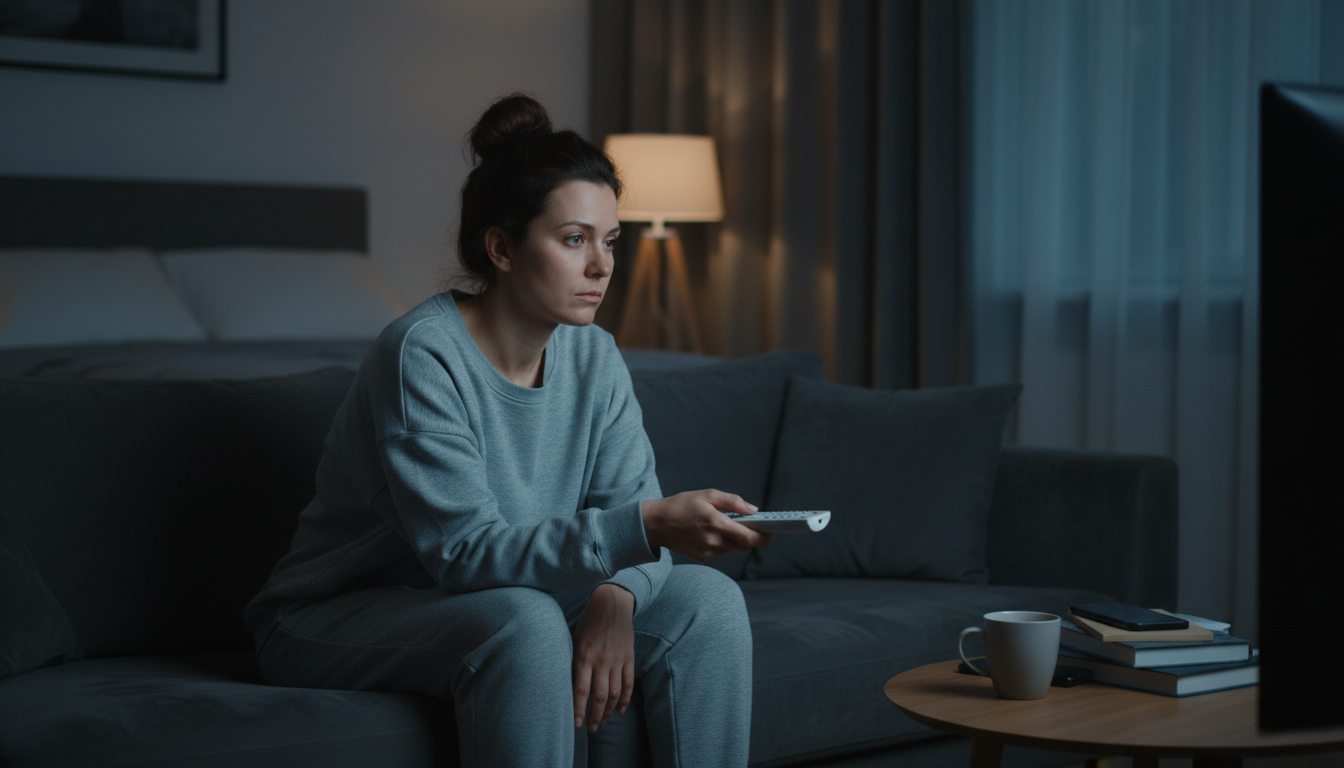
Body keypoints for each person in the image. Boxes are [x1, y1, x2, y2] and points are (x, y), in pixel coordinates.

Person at [244, 93, 773, 768]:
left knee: (710, 603)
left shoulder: (595, 355)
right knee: (523, 625)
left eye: (611, 240)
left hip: (507, 595)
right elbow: (465, 555)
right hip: (339, 613)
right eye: (574, 239)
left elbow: (630, 509)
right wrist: (644, 530)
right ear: (501, 247)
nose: (603, 266)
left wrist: (614, 595)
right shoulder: (421, 356)